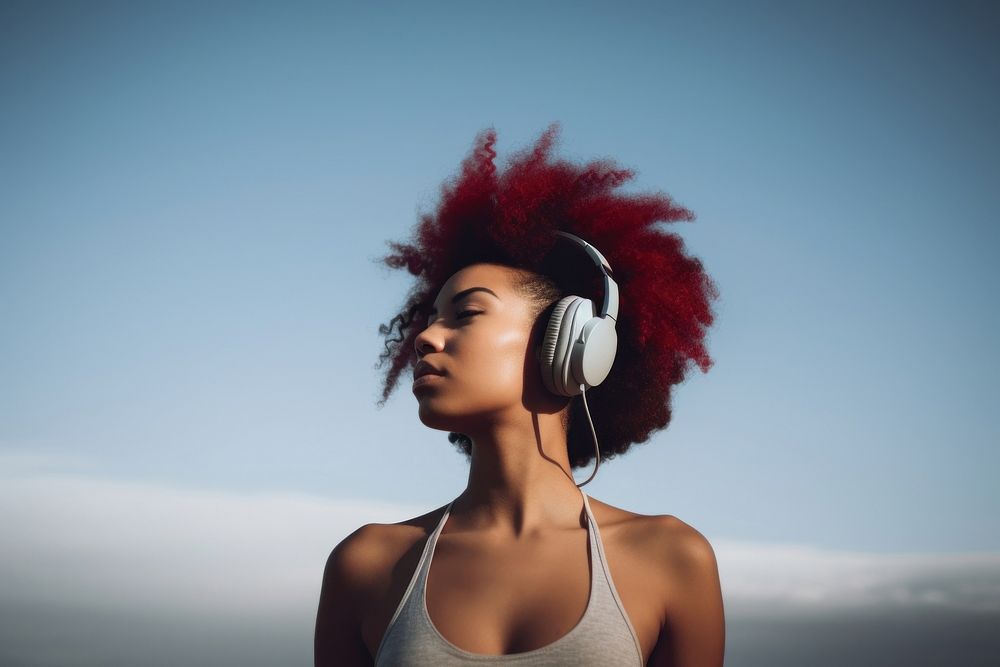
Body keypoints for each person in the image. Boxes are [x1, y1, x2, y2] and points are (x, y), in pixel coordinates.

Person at [315, 125, 725, 666]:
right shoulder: (366, 564)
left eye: (466, 313)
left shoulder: (670, 558)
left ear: (571, 342)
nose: (425, 337)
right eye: (430, 318)